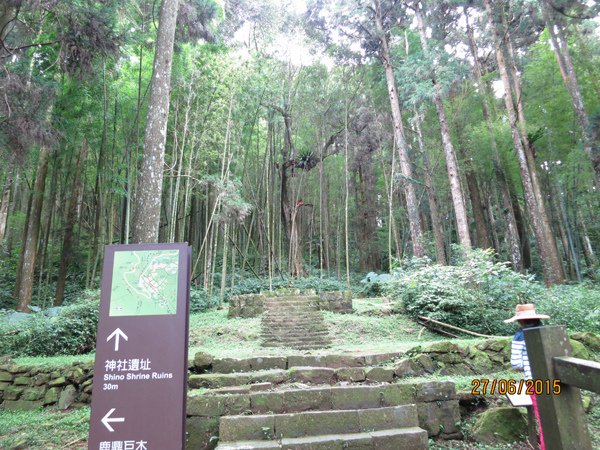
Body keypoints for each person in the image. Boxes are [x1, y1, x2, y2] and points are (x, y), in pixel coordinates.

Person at [504, 303, 549, 450]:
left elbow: (516, 364)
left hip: (534, 382)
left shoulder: (520, 336)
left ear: (520, 320)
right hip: (553, 380)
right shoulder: (547, 331)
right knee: (554, 417)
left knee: (542, 420)